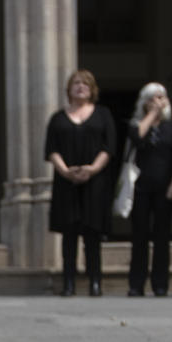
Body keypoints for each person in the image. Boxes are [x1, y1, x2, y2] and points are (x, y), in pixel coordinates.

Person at [46, 69, 119, 296]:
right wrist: (66, 171)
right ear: (69, 89)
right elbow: (51, 150)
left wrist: (93, 169)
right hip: (66, 182)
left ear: (92, 89)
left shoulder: (103, 114)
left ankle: (95, 281)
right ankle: (68, 282)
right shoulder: (58, 118)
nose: (80, 87)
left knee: (92, 234)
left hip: (95, 183)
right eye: (76, 83)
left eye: (85, 84)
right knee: (69, 235)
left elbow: (109, 147)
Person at [124, 83, 172, 298]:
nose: (157, 101)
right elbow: (138, 138)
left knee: (162, 237)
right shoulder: (136, 125)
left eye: (161, 97)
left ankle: (160, 284)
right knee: (139, 236)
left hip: (165, 188)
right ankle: (136, 284)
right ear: (144, 102)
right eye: (152, 98)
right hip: (140, 188)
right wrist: (151, 115)